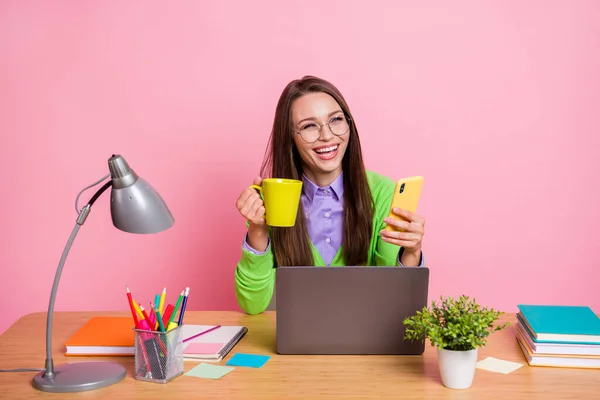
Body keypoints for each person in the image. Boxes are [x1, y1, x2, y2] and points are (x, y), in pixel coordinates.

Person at [234, 76, 426, 315]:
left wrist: (411, 252)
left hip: (365, 338)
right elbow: (253, 305)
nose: (327, 136)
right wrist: (258, 230)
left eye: (335, 120)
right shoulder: (273, 198)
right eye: (309, 126)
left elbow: (398, 298)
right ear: (290, 138)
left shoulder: (382, 192)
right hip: (294, 344)